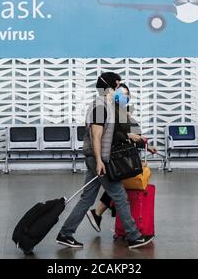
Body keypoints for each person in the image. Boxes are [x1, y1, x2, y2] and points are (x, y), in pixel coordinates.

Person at [56, 73, 154, 249]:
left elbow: (114, 134)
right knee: (119, 196)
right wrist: (100, 161)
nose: (119, 89)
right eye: (118, 85)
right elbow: (96, 136)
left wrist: (139, 139)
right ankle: (134, 236)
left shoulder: (106, 106)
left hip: (98, 158)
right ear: (112, 86)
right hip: (98, 159)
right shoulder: (99, 107)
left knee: (87, 199)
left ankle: (65, 234)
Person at [86, 84, 157, 231]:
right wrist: (129, 136)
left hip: (122, 156)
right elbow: (113, 135)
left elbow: (132, 135)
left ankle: (103, 217)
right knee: (117, 190)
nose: (125, 97)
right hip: (114, 157)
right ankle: (119, 225)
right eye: (122, 93)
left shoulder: (124, 113)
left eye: (127, 94)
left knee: (116, 189)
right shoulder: (109, 111)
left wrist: (146, 145)